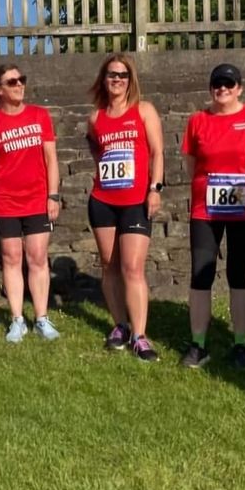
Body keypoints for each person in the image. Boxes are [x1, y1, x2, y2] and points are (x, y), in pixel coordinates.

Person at [179, 62, 245, 368]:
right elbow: (192, 165)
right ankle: (198, 344)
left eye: (229, 84)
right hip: (206, 210)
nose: (223, 89)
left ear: (240, 88)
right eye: (217, 84)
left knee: (238, 274)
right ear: (210, 89)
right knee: (201, 274)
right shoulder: (197, 121)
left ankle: (241, 343)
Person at [0, 64, 61, 344]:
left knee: (37, 257)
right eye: (12, 82)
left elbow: (51, 158)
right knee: (11, 259)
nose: (19, 85)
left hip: (37, 199)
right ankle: (17, 320)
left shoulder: (39, 115)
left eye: (21, 79)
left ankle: (42, 318)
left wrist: (54, 195)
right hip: (4, 203)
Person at [86, 52, 164, 361]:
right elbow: (96, 151)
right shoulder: (95, 117)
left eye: (122, 75)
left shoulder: (144, 111)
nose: (116, 80)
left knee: (133, 267)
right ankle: (119, 324)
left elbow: (157, 152)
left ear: (130, 80)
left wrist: (154, 188)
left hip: (136, 201)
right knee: (109, 264)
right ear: (103, 80)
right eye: (111, 75)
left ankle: (140, 335)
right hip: (103, 200)